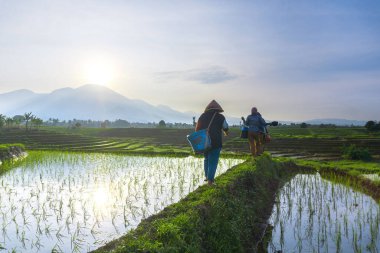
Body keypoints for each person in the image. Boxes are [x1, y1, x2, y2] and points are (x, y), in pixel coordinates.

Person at [195, 100, 229, 185]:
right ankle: (210, 181)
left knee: (206, 159)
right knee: (213, 161)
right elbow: (225, 127)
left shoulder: (202, 116)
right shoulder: (221, 117)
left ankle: (207, 177)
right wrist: (226, 132)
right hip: (216, 141)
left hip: (204, 141)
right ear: (217, 109)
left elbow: (197, 129)